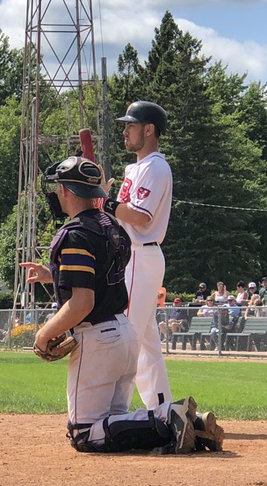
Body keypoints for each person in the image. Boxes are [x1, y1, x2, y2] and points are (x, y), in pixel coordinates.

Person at [20, 155, 222, 453]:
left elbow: (83, 302)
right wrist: (55, 276)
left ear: (67, 191)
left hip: (97, 339)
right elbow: (100, 279)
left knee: (85, 434)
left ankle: (168, 417)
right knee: (114, 421)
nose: (56, 192)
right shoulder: (111, 226)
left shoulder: (75, 234)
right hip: (123, 333)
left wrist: (43, 334)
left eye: (59, 186)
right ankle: (192, 426)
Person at [100, 101, 173, 409]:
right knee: (145, 341)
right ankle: (163, 409)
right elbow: (122, 216)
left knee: (126, 334)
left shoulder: (156, 166)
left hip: (142, 256)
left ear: (149, 129)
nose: (125, 131)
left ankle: (116, 409)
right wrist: (105, 204)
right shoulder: (135, 168)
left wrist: (102, 202)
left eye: (131, 125)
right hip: (132, 256)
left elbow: (140, 217)